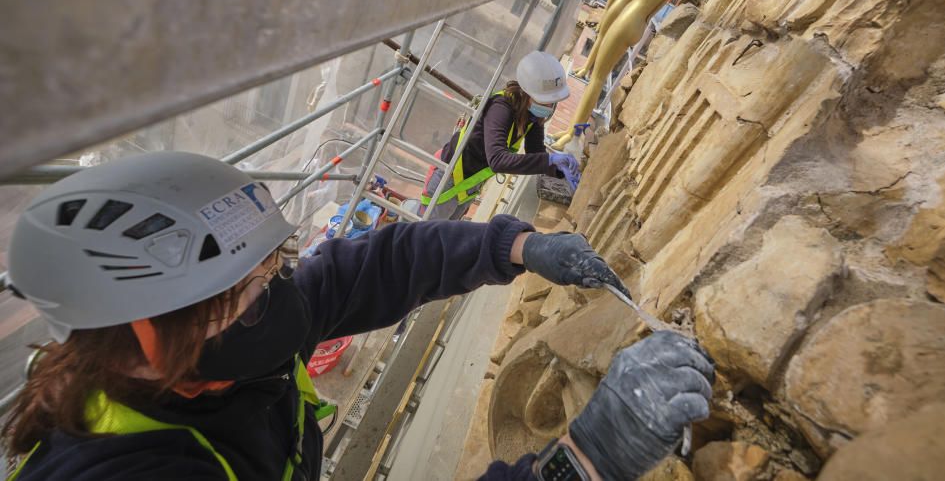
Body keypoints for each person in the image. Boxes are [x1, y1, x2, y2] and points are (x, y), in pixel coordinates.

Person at [2, 152, 713, 480]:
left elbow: (375, 266)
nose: (276, 298)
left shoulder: (218, 350)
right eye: (246, 293)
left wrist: (519, 245)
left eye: (270, 270)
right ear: (142, 340)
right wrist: (581, 464)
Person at [421, 51, 583, 220]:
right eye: (545, 100)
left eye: (552, 101)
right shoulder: (501, 108)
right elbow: (497, 160)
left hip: (469, 184)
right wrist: (550, 160)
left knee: (442, 237)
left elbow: (535, 152)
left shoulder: (531, 114)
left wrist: (561, 170)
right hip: (448, 179)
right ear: (527, 92)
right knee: (423, 238)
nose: (549, 106)